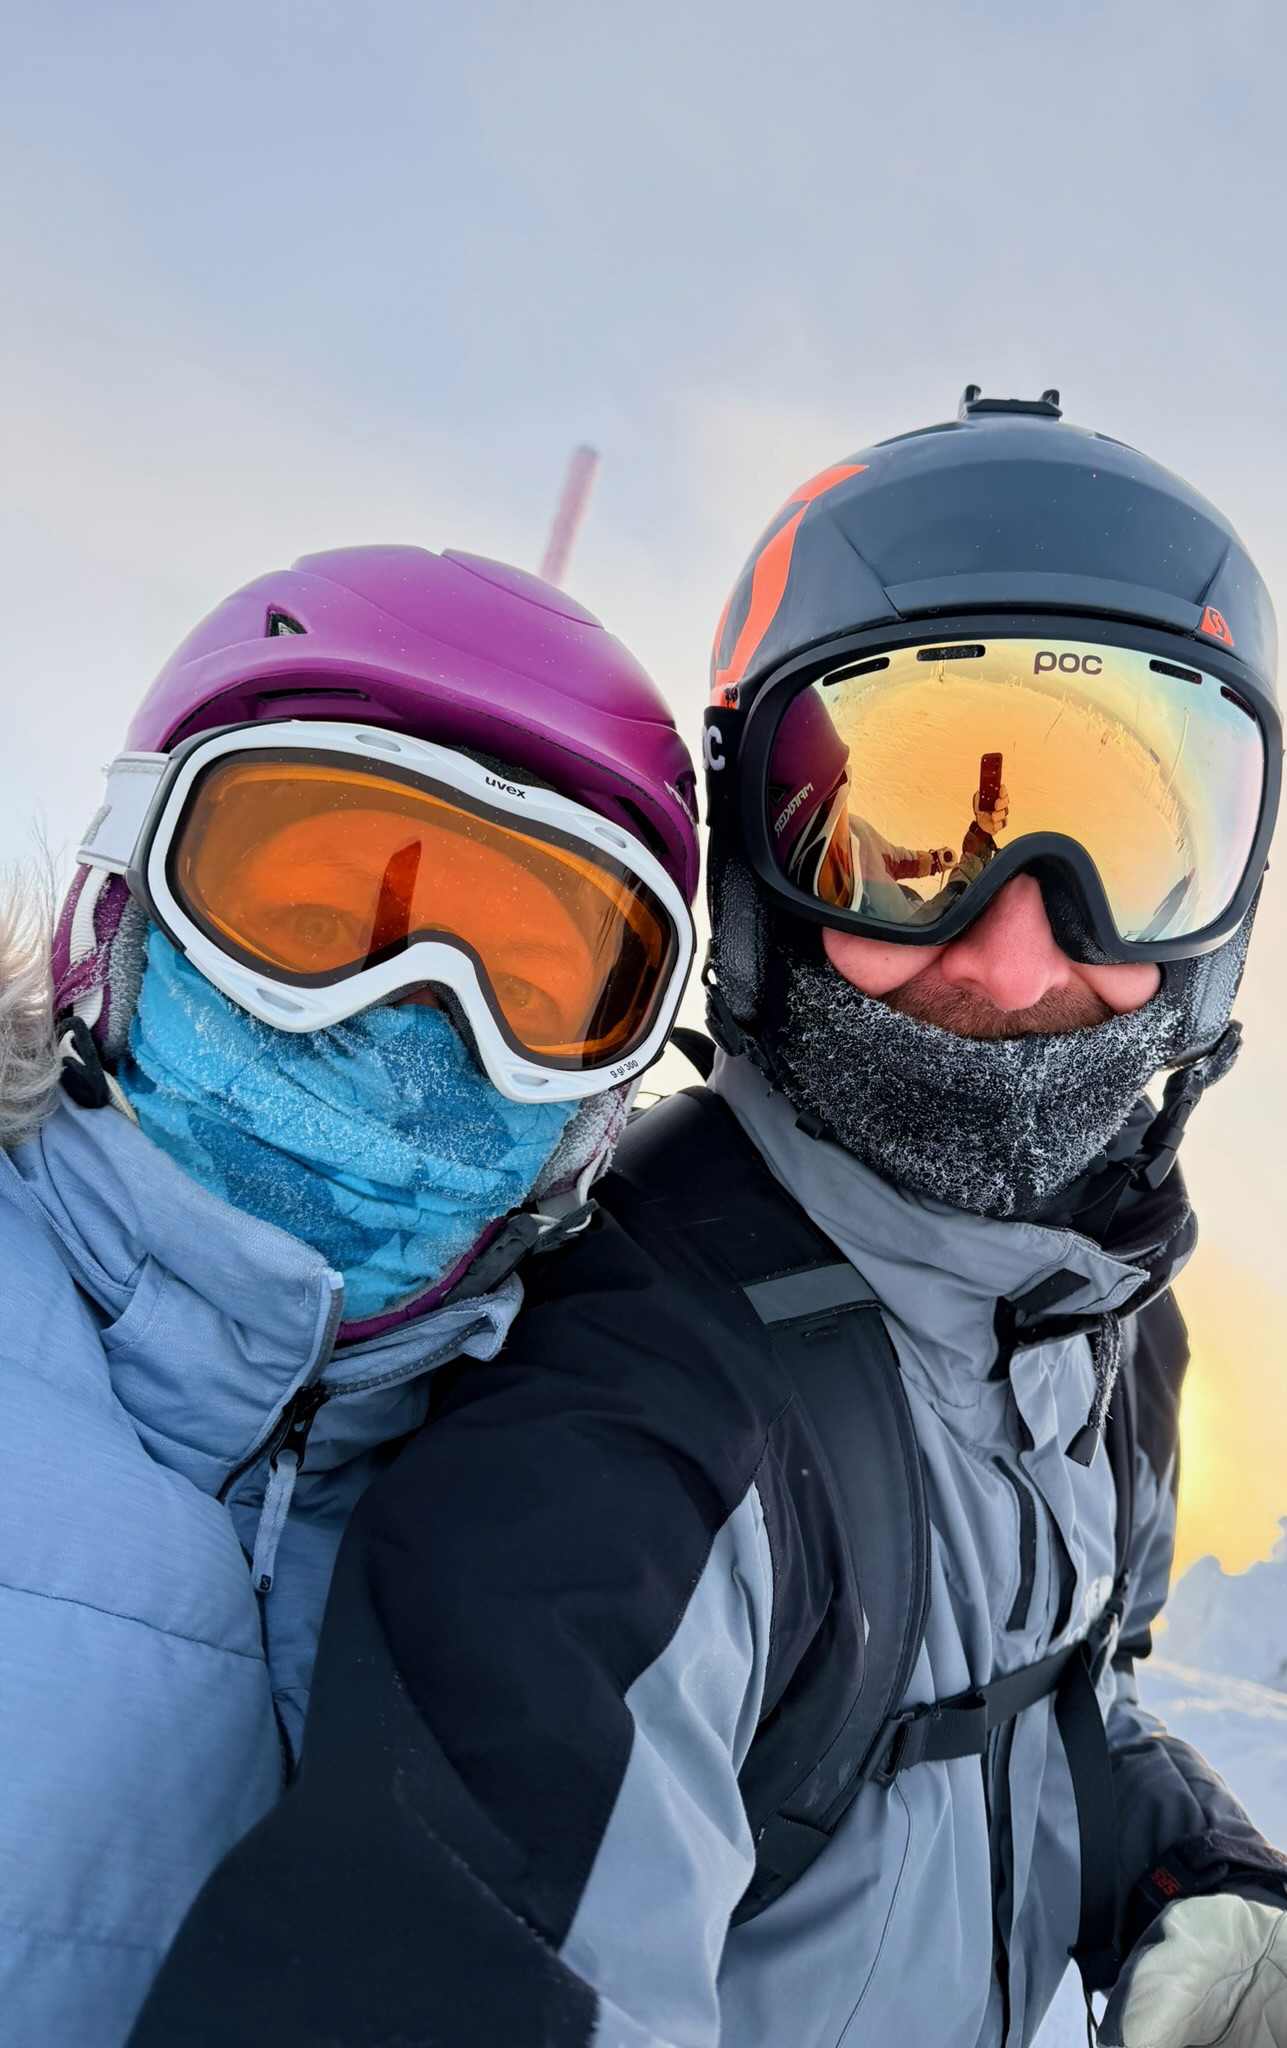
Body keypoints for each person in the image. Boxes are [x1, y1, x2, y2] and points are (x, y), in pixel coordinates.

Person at [129, 398, 1287, 2048]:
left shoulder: (1116, 1328)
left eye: (1132, 855)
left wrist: (1201, 1880)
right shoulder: (637, 1409)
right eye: (911, 850)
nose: (1018, 960)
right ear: (762, 878)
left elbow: (1068, 1696)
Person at [0, 545, 698, 2048]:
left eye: (530, 982)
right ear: (121, 898)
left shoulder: (561, 1516)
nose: (407, 1028)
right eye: (317, 913)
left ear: (604, 1092)